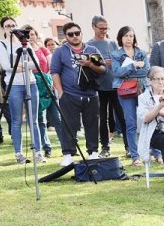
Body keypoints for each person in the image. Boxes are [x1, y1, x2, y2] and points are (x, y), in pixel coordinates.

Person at [50, 20, 106, 166]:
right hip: (69, 94)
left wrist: (90, 64)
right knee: (69, 125)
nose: (75, 36)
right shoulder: (61, 51)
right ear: (66, 36)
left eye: (77, 33)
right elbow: (54, 72)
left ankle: (93, 152)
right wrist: (61, 93)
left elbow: (102, 69)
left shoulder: (91, 50)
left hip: (91, 94)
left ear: (81, 34)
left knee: (92, 124)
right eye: (71, 34)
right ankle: (68, 154)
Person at [5, 24, 45, 164]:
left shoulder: (26, 44)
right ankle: (19, 154)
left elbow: (36, 64)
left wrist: (19, 67)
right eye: (7, 26)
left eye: (13, 25)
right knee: (16, 121)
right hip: (14, 85)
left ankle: (38, 152)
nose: (11, 28)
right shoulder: (3, 45)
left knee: (33, 120)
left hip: (31, 82)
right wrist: (22, 66)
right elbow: (7, 66)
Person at [112, 26, 150, 165]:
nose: (129, 38)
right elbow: (116, 72)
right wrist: (133, 65)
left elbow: (146, 69)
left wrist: (127, 71)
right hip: (125, 90)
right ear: (120, 38)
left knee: (150, 119)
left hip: (144, 87)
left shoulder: (141, 52)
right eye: (126, 36)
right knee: (131, 123)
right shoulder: (116, 54)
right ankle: (135, 156)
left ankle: (156, 152)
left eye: (131, 36)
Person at [87, 15, 121, 155]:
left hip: (115, 84)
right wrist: (101, 62)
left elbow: (118, 60)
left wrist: (111, 62)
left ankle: (129, 148)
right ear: (93, 27)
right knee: (102, 117)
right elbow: (94, 64)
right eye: (101, 28)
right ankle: (105, 147)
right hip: (99, 86)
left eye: (106, 28)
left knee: (121, 115)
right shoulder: (89, 45)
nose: (104, 31)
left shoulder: (112, 43)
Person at [35, 34, 63, 156]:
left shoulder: (43, 50)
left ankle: (66, 146)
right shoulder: (23, 50)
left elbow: (52, 67)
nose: (30, 37)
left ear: (36, 36)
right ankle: (46, 148)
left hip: (48, 86)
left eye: (32, 34)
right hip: (34, 88)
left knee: (56, 118)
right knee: (40, 119)